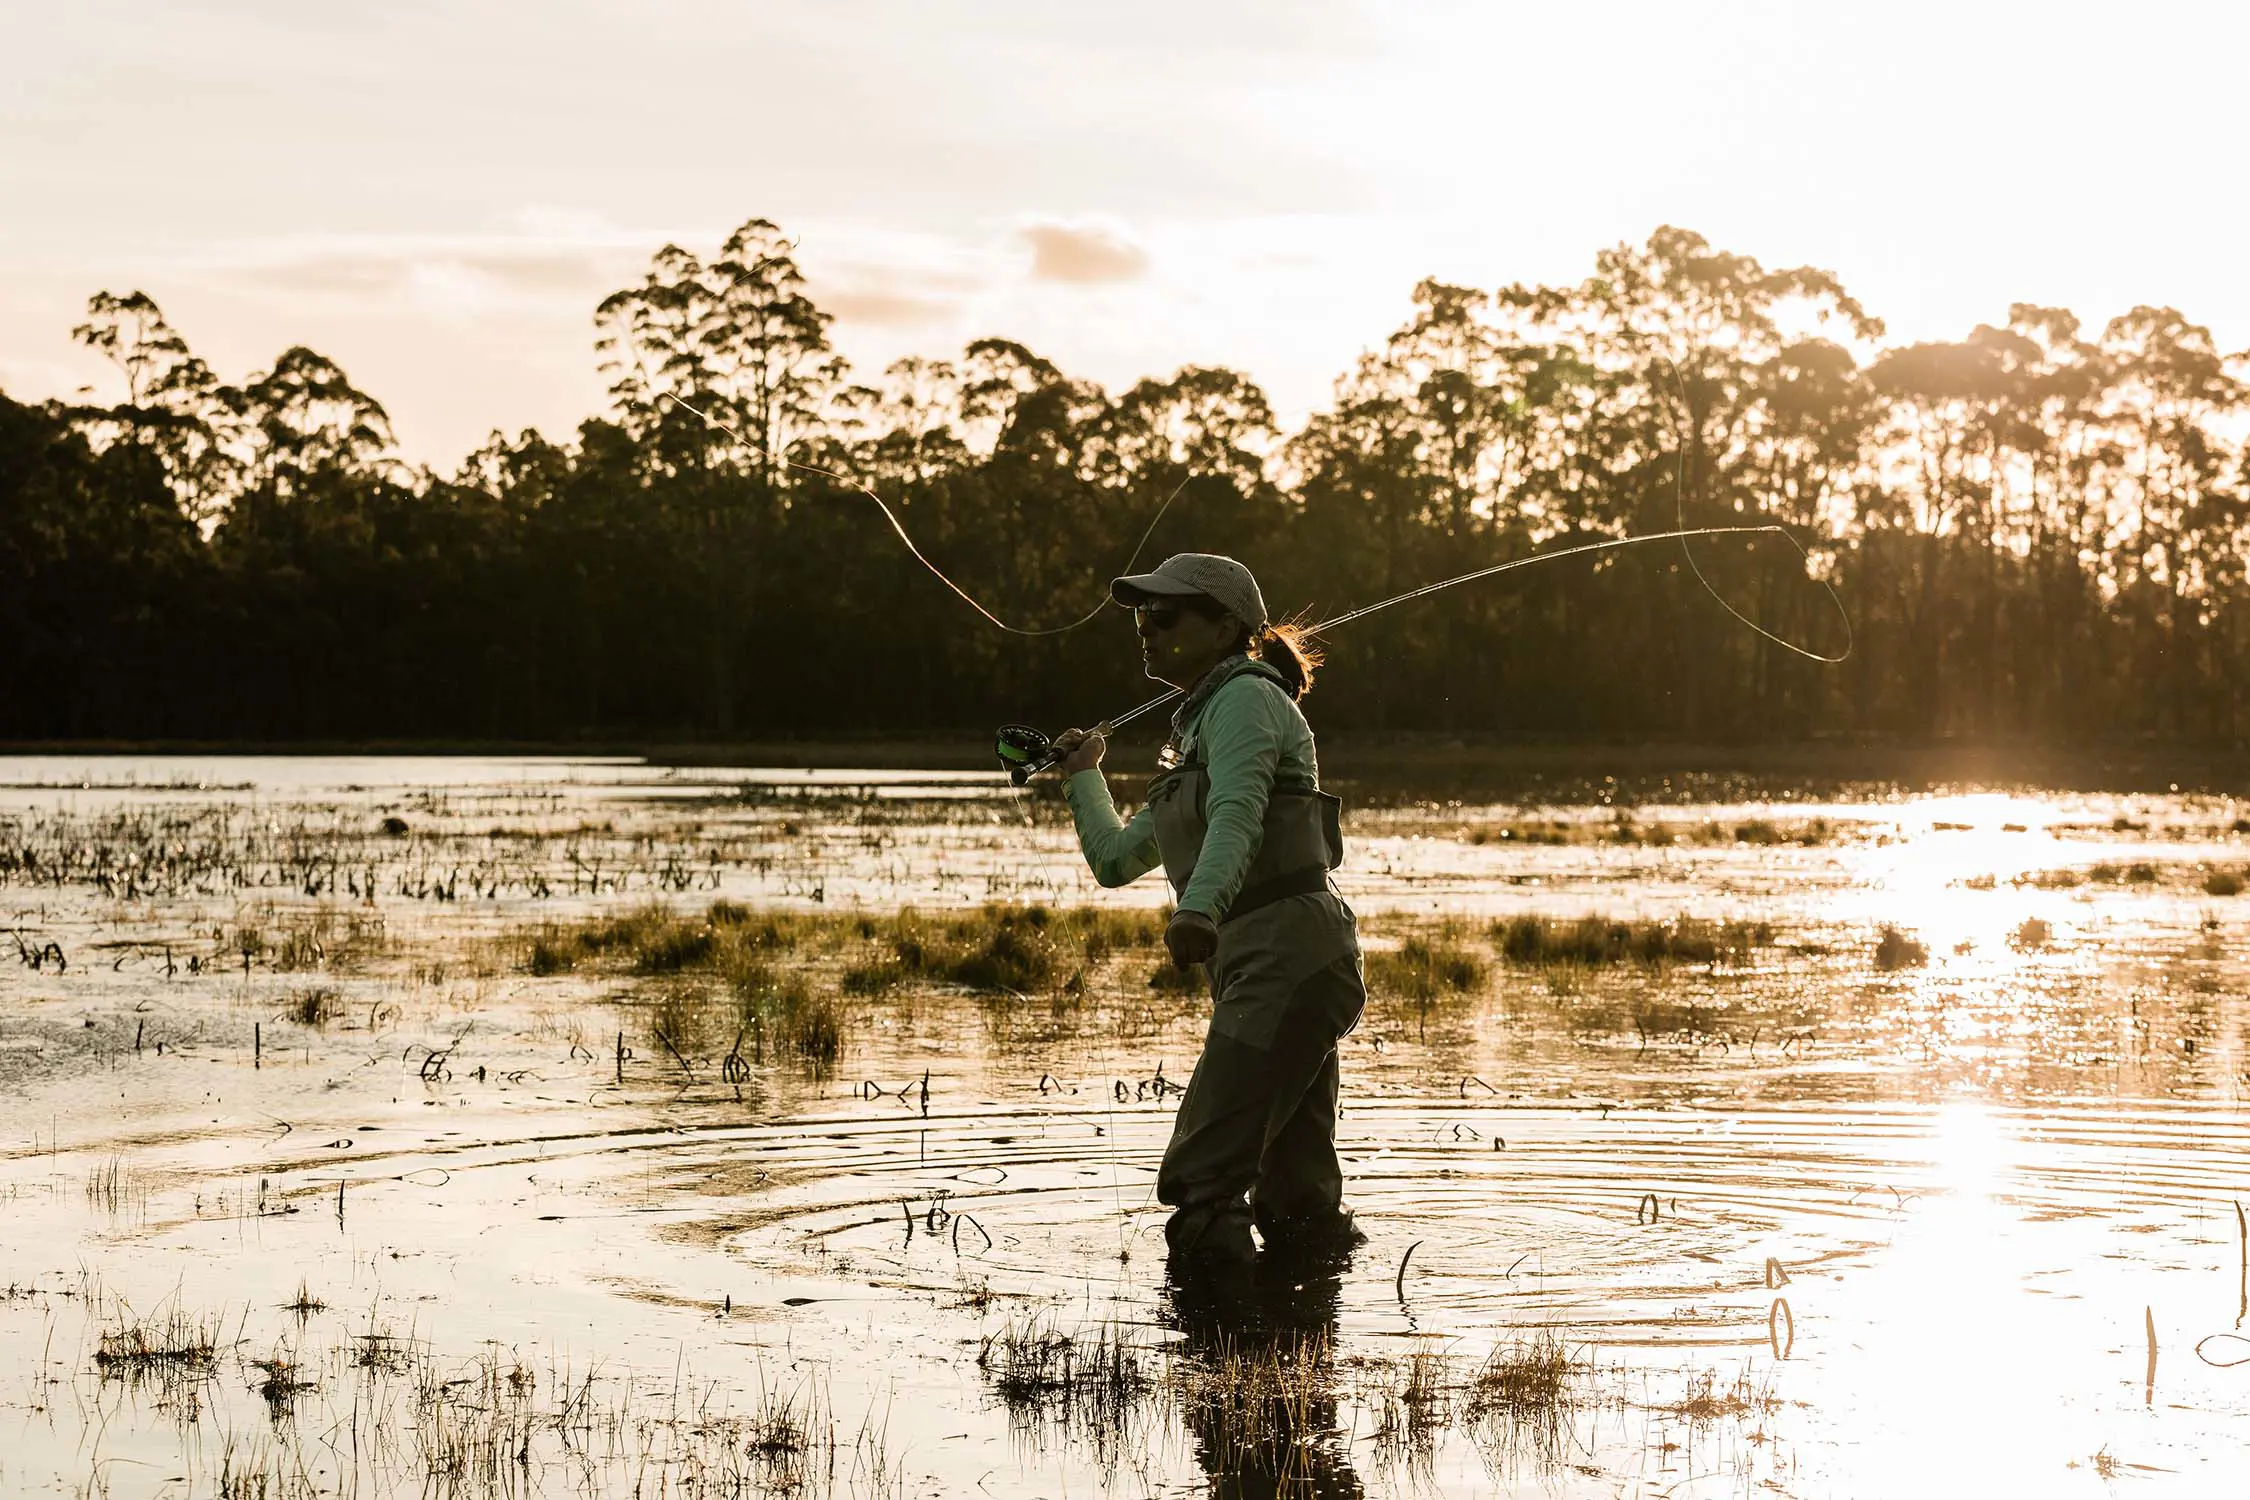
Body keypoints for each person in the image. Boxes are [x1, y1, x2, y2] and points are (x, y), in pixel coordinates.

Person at [1050, 553, 1367, 1271]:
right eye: (1140, 618)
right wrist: (1083, 776)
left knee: (1204, 1177)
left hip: (1288, 953)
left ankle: (1214, 1356)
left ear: (1226, 627)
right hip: (1272, 961)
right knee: (1295, 1188)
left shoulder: (1250, 702)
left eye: (1165, 616)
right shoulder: (1195, 728)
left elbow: (1238, 814)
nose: (1146, 630)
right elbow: (1117, 860)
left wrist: (1197, 911)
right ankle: (1297, 1358)